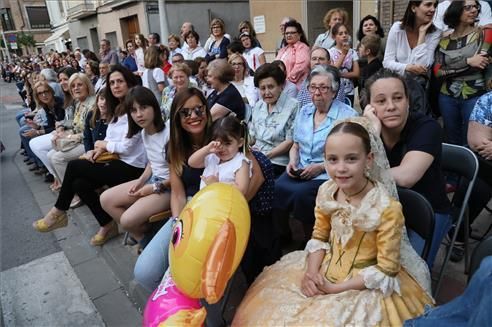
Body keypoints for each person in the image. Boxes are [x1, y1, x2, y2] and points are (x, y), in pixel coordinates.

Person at [232, 118, 434, 326]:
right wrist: (311, 274)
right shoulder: (327, 191)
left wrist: (333, 289)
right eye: (332, 159)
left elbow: (386, 269)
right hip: (324, 266)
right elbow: (320, 235)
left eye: (351, 159)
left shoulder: (386, 208)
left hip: (365, 284)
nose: (341, 168)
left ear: (369, 159)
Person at [32, 65, 146, 246]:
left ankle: (58, 212)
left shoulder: (136, 104)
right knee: (79, 183)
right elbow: (111, 136)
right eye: (112, 83)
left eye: (120, 81)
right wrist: (97, 150)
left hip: (134, 167)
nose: (115, 86)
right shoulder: (118, 107)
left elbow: (128, 146)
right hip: (117, 161)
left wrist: (104, 145)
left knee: (75, 166)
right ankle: (107, 224)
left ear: (129, 83)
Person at [363, 69, 451, 268]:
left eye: (398, 98)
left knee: (405, 273)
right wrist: (373, 132)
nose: (391, 106)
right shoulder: (366, 129)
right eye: (381, 101)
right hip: (383, 208)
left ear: (408, 101)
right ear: (370, 107)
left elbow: (406, 177)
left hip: (427, 212)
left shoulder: (427, 127)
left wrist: (361, 173)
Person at [274, 65, 358, 241]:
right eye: (313, 87)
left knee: (302, 195)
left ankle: (311, 240)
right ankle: (284, 236)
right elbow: (296, 145)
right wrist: (292, 162)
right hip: (302, 168)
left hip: (328, 173)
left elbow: (351, 155)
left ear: (334, 91)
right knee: (277, 186)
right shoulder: (305, 111)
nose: (317, 92)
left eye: (323, 87)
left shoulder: (347, 115)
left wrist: (320, 167)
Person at [101, 86, 170, 247]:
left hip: (168, 187)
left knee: (127, 220)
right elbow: (152, 163)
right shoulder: (145, 132)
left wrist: (152, 187)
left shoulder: (168, 133)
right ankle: (146, 238)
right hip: (152, 180)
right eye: (133, 110)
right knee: (106, 199)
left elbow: (178, 174)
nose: (139, 114)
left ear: (154, 107)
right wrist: (140, 181)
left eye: (143, 108)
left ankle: (147, 240)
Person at [433, 0, 492, 147]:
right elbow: (438, 72)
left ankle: (471, 169)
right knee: (451, 139)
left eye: (476, 7)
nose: (474, 11)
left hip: (475, 95)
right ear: (457, 11)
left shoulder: (484, 34)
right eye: (468, 7)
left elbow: (481, 63)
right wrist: (468, 62)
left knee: (471, 142)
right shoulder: (444, 41)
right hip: (447, 97)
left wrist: (452, 68)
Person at [47, 73, 96, 189]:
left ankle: (73, 192)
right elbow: (75, 126)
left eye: (80, 85)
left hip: (89, 143)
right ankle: (66, 187)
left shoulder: (93, 104)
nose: (76, 88)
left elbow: (91, 132)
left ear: (87, 86)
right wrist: (62, 134)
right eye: (73, 86)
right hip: (79, 140)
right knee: (50, 154)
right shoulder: (79, 102)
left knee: (57, 158)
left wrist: (69, 137)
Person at [250, 63, 299, 177]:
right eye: (262, 88)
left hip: (277, 161)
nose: (267, 92)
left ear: (281, 86)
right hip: (256, 156)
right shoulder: (259, 106)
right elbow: (252, 136)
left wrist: (265, 156)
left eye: (271, 87)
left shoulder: (293, 106)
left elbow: (289, 141)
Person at [188, 115, 251, 194]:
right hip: (205, 202)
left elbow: (241, 190)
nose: (222, 148)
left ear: (240, 142)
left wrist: (217, 185)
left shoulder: (240, 162)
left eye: (227, 144)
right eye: (218, 143)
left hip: (226, 204)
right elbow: (192, 162)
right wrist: (207, 149)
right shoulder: (213, 157)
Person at [383, 0, 441, 81]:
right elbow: (387, 62)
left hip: (419, 89)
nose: (433, 9)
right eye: (428, 5)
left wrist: (422, 33)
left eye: (435, 5)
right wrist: (407, 67)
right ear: (414, 8)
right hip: (396, 84)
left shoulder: (435, 33)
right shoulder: (397, 29)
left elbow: (422, 67)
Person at [27, 81, 65, 176]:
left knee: (35, 143)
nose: (44, 95)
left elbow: (61, 126)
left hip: (65, 133)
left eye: (46, 91)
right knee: (33, 142)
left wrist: (39, 132)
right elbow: (51, 126)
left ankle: (55, 175)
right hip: (56, 133)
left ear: (51, 92)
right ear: (37, 96)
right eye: (40, 93)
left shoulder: (60, 103)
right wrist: (38, 127)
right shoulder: (47, 106)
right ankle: (54, 174)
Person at [329, 23, 360, 104]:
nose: (344, 35)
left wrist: (340, 74)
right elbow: (333, 71)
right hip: (335, 90)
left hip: (349, 91)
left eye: (346, 33)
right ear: (334, 37)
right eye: (340, 33)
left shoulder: (352, 52)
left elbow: (356, 73)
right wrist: (343, 54)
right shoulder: (330, 52)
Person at [275, 20, 310, 89]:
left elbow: (300, 67)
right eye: (286, 33)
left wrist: (286, 82)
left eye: (292, 33)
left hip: (295, 87)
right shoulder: (282, 50)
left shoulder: (302, 48)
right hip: (281, 85)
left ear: (299, 34)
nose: (289, 35)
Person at [358, 34, 383, 107]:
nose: (359, 49)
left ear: (367, 51)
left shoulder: (369, 69)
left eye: (361, 47)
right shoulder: (378, 64)